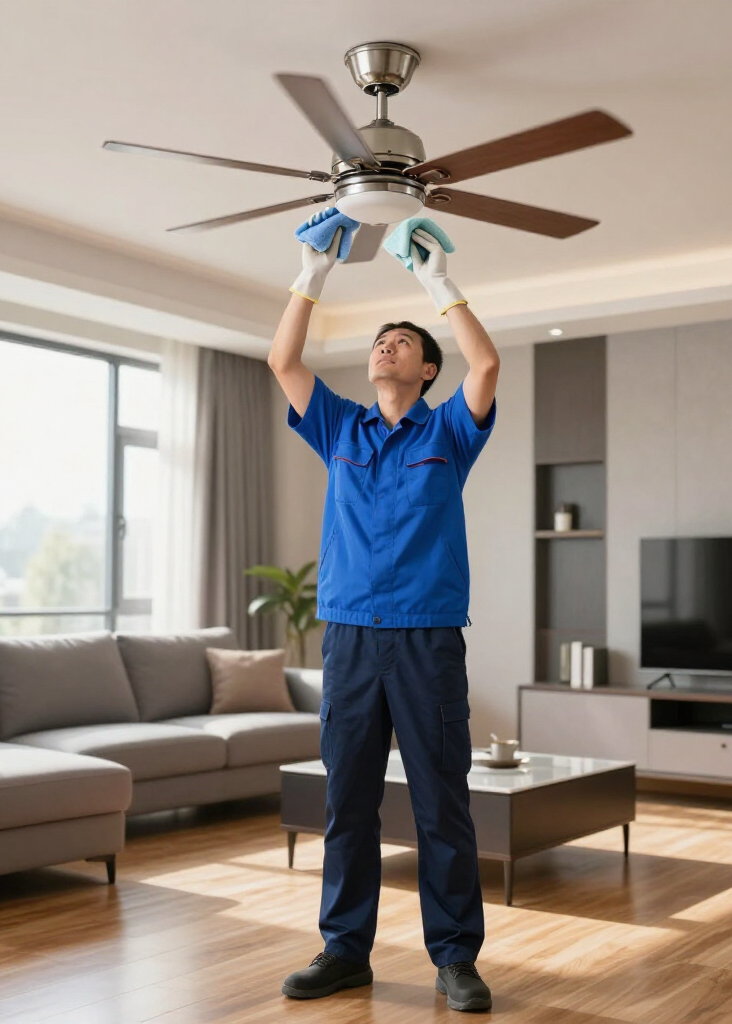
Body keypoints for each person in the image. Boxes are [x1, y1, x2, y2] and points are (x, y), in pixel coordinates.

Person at [268, 223, 500, 1013]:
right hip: (351, 639)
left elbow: (489, 363)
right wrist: (312, 272)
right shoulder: (340, 427)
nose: (387, 347)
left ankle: (455, 958)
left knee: (442, 803)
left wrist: (441, 285)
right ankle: (344, 950)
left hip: (429, 638)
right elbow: (284, 361)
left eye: (403, 342)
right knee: (348, 802)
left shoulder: (449, 431)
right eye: (380, 341)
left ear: (427, 368)